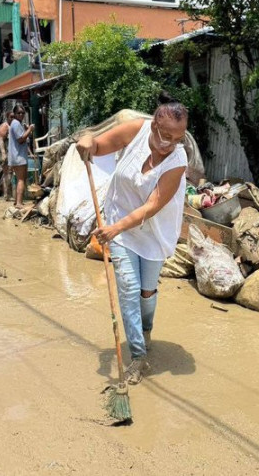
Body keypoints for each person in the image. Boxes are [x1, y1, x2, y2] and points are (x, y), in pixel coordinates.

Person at [75, 103, 189, 385]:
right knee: (127, 286)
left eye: (178, 138)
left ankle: (145, 329)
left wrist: (114, 228)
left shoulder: (178, 161)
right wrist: (87, 142)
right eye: (166, 136)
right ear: (154, 126)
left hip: (153, 230)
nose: (171, 144)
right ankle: (138, 356)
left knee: (147, 291)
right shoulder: (136, 130)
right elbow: (98, 146)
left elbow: (152, 207)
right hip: (120, 224)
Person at [8, 105, 34, 209]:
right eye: (19, 113)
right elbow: (21, 139)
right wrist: (30, 129)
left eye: (23, 113)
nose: (21, 115)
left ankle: (17, 201)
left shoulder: (16, 124)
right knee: (21, 179)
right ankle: (19, 203)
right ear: (14, 114)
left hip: (16, 156)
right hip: (18, 157)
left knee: (19, 179)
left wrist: (26, 130)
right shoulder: (16, 124)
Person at [0, 112, 14, 200]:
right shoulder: (4, 126)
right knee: (7, 172)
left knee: (9, 172)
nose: (13, 118)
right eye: (11, 117)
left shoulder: (13, 125)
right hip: (4, 151)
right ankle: (7, 194)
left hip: (9, 151)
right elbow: (0, 140)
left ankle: (8, 194)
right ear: (7, 117)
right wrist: (3, 154)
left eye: (14, 117)